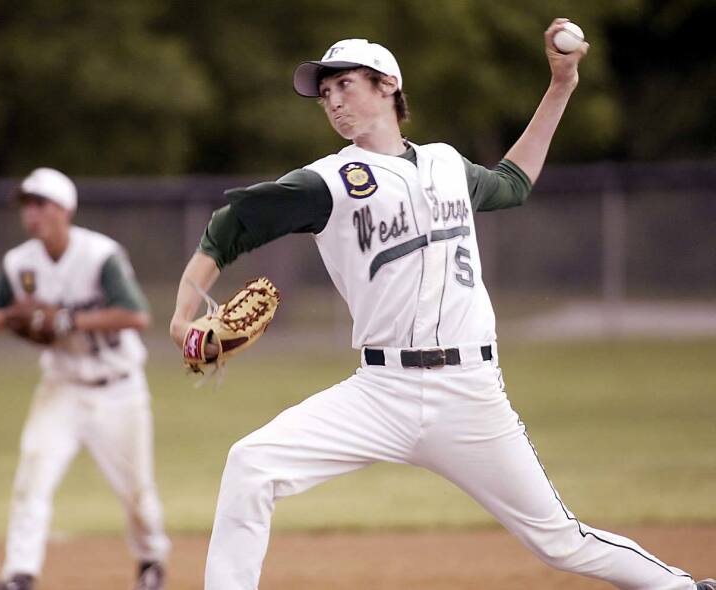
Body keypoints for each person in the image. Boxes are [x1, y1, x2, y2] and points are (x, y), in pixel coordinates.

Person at [169, 21, 715, 590]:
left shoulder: (447, 164)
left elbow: (513, 182)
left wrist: (561, 86)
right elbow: (232, 226)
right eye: (324, 92)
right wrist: (184, 313)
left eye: (344, 84)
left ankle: (684, 588)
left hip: (470, 391)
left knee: (558, 538)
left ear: (387, 86)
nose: (332, 100)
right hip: (380, 392)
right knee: (251, 465)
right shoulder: (327, 182)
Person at [0, 168, 171, 590]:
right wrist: (15, 316)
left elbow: (137, 315)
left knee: (138, 495)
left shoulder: (99, 255)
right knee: (32, 478)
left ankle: (151, 561)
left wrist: (65, 319)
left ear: (64, 209)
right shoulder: (20, 263)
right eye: (27, 205)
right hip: (60, 387)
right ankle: (19, 574)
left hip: (119, 389)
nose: (31, 213)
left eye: (40, 203)